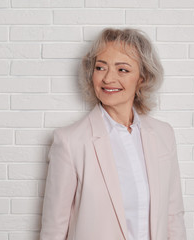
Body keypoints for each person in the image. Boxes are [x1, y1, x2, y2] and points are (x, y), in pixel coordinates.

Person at [40, 28, 186, 240]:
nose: (108, 78)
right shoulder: (70, 142)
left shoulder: (163, 135)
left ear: (142, 78)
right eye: (101, 67)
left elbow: (174, 216)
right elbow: (54, 228)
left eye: (123, 70)